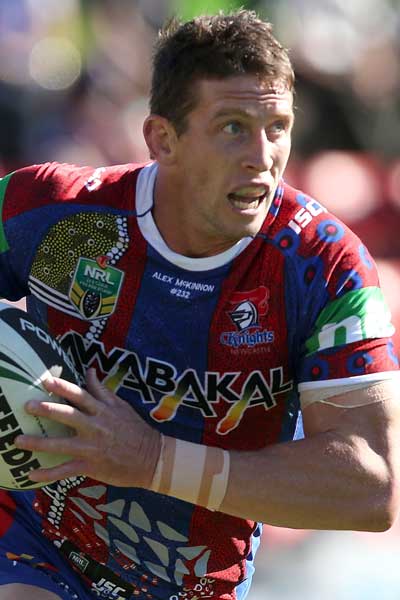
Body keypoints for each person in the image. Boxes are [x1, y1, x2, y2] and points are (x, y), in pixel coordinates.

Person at [0, 9, 399, 600]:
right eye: (233, 127)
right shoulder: (54, 211)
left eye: (278, 127)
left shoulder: (323, 267)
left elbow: (370, 489)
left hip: (192, 583)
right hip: (33, 538)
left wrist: (151, 459)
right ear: (163, 139)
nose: (262, 155)